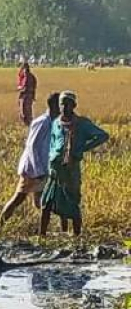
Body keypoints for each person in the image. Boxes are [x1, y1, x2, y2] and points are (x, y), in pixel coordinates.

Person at [40, 91, 109, 237]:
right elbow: (52, 144)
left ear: (74, 106)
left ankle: (77, 237)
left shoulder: (82, 124)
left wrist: (82, 148)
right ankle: (42, 236)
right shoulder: (56, 123)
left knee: (72, 204)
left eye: (68, 104)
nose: (65, 107)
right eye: (62, 104)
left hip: (71, 170)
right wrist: (51, 159)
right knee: (47, 204)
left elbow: (103, 135)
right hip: (55, 169)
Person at [0, 93, 61, 233]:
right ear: (55, 106)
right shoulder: (42, 122)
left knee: (42, 202)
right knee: (19, 198)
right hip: (32, 169)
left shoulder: (54, 122)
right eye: (61, 104)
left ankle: (46, 231)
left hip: (42, 168)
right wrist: (38, 171)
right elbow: (33, 147)